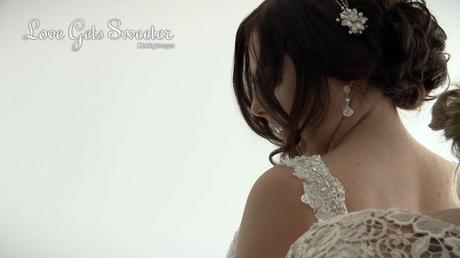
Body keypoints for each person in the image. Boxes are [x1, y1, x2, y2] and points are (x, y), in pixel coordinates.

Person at [226, 0, 460, 257]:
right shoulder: (454, 182)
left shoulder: (289, 192)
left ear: (343, 68)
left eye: (270, 78)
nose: (256, 108)